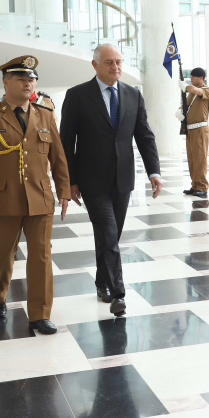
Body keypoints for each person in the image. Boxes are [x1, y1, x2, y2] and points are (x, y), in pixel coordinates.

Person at [0, 55, 70, 335]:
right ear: (6, 81)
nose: (28, 83)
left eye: (32, 79)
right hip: (4, 198)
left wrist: (63, 191)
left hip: (40, 197)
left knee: (41, 256)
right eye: (22, 78)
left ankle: (40, 314)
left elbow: (58, 158)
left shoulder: (45, 114)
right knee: (2, 255)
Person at [60, 44, 162, 317]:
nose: (115, 66)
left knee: (110, 236)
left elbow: (144, 135)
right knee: (107, 233)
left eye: (118, 61)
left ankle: (102, 282)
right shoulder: (77, 95)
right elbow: (66, 142)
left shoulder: (133, 95)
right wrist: (69, 180)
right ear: (95, 65)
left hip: (123, 179)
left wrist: (154, 171)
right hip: (91, 181)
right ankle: (118, 294)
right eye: (108, 62)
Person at [177, 67, 209, 198]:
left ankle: (202, 186)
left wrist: (185, 87)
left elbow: (195, 90)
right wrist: (180, 111)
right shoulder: (192, 94)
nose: (191, 79)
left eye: (193, 77)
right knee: (192, 159)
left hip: (200, 129)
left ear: (201, 78)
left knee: (200, 159)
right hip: (190, 129)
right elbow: (186, 105)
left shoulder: (205, 90)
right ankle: (195, 185)